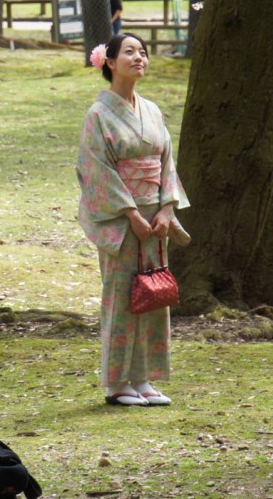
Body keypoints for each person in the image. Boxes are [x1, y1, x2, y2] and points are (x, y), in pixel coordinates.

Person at [76, 34, 189, 407]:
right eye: (129, 52)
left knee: (154, 296)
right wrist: (131, 213)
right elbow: (96, 170)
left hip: (156, 221)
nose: (139, 57)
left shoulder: (152, 111)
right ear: (108, 61)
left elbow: (167, 162)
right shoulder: (98, 115)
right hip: (122, 222)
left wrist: (167, 208)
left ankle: (144, 378)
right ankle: (116, 382)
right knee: (123, 298)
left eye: (142, 52)